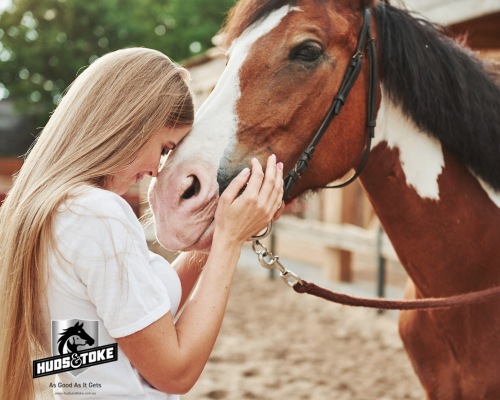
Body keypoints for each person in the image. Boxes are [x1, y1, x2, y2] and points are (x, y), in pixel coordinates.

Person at [0, 48, 284, 400]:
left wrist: (213, 234)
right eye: (165, 148)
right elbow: (175, 373)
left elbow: (138, 317)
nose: (155, 169)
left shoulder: (57, 210)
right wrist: (229, 241)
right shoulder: (99, 215)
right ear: (133, 124)